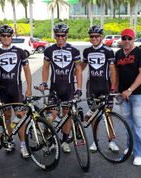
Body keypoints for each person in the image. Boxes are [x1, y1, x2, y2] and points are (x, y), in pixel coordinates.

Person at [0, 24, 32, 158]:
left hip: (17, 89)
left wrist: (29, 88)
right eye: (3, 36)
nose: (6, 38)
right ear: (0, 37)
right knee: (7, 116)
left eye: (8, 35)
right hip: (3, 91)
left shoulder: (20, 52)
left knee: (20, 116)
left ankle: (23, 145)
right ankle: (10, 139)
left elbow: (27, 71)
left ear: (11, 37)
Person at [39, 23, 82, 153]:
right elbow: (45, 67)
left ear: (67, 35)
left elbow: (78, 70)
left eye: (63, 35)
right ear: (55, 35)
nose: (60, 38)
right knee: (51, 116)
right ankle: (51, 140)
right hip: (54, 88)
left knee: (67, 116)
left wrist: (79, 88)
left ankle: (64, 141)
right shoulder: (49, 50)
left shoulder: (74, 51)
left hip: (69, 88)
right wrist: (44, 82)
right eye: (58, 35)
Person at [115, 28, 141, 166]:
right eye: (124, 38)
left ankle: (139, 153)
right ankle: (130, 147)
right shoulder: (118, 54)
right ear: (121, 40)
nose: (127, 41)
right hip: (123, 95)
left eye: (129, 38)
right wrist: (117, 89)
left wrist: (130, 90)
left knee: (139, 124)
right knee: (128, 123)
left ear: (134, 39)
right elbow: (116, 74)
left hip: (138, 94)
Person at [81, 25, 119, 152]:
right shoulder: (87, 51)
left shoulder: (108, 51)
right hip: (92, 87)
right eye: (92, 36)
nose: (94, 38)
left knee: (107, 114)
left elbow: (113, 70)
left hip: (105, 86)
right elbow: (82, 66)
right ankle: (95, 142)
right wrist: (73, 72)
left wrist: (113, 87)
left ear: (101, 37)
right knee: (94, 116)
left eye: (97, 36)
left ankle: (112, 141)